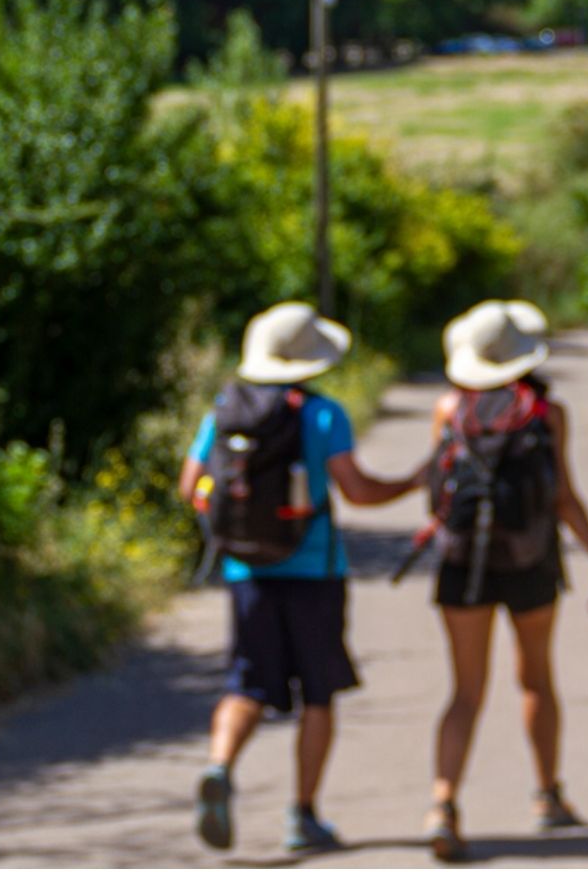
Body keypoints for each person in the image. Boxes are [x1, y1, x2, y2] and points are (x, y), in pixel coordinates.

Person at [178, 301, 419, 854]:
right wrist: (412, 482)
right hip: (316, 573)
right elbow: (358, 490)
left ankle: (219, 766)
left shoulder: (224, 413)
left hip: (247, 571)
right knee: (318, 694)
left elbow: (191, 487)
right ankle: (303, 815)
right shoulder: (323, 414)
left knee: (246, 684)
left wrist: (238, 525)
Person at [420, 300, 588, 862]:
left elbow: (435, 495)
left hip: (463, 566)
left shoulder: (448, 409)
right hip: (532, 562)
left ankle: (442, 805)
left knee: (464, 691)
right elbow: (564, 498)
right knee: (535, 680)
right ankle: (548, 795)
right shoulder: (547, 413)